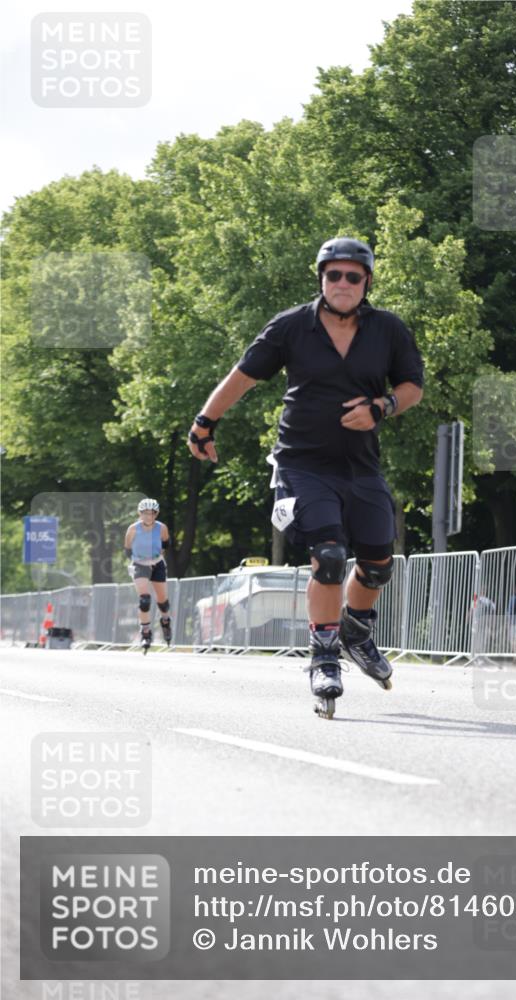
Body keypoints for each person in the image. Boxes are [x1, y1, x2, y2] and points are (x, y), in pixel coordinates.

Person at [187, 237, 424, 715]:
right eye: (332, 274)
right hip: (302, 463)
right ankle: (324, 657)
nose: (341, 283)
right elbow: (243, 376)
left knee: (379, 564)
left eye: (352, 276)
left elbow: (412, 386)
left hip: (361, 467)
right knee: (331, 555)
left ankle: (357, 630)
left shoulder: (388, 330)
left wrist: (383, 406)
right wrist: (204, 422)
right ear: (321, 278)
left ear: (366, 283)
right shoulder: (291, 326)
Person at [124, 498, 172, 650]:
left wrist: (156, 557)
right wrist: (138, 561)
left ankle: (165, 621)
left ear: (156, 514)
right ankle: (145, 632)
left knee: (163, 602)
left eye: (151, 513)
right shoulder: (133, 529)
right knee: (144, 600)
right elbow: (127, 549)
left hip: (157, 563)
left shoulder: (162, 528)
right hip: (139, 564)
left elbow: (166, 543)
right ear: (140, 513)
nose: (148, 517)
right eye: (145, 513)